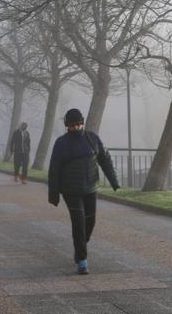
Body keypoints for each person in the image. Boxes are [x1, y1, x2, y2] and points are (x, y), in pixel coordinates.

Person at [48, 108, 120, 275]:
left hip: (90, 188)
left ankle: (80, 246)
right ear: (67, 126)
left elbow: (105, 160)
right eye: (72, 125)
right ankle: (82, 260)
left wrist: (114, 181)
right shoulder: (61, 143)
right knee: (78, 223)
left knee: (90, 222)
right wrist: (54, 194)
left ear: (82, 123)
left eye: (78, 124)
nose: (76, 128)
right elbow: (54, 170)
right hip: (70, 191)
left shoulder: (92, 139)